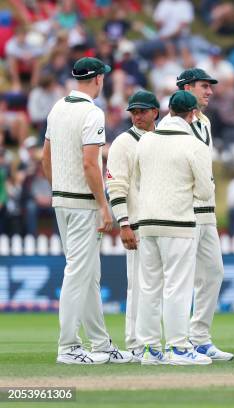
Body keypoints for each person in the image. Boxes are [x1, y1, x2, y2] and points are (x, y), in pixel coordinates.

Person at [42, 57, 131, 365]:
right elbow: (90, 163)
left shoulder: (57, 107)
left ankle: (101, 345)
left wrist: (59, 188)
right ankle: (67, 347)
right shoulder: (92, 112)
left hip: (62, 201)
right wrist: (103, 207)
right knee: (78, 273)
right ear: (98, 79)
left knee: (89, 275)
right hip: (82, 204)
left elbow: (46, 159)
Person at [134, 90, 214, 365]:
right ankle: (178, 348)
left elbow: (137, 181)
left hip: (147, 223)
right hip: (178, 222)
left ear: (168, 111)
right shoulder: (194, 145)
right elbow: (205, 192)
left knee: (149, 286)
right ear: (192, 114)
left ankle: (149, 349)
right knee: (177, 287)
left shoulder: (145, 140)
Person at [166, 67, 234, 361]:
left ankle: (200, 338)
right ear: (186, 88)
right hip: (182, 211)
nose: (209, 91)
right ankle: (175, 343)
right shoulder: (169, 125)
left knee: (214, 273)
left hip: (205, 212)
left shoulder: (204, 122)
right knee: (179, 279)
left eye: (210, 86)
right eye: (204, 86)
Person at [106, 90, 160, 362]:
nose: (137, 116)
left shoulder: (164, 139)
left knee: (160, 286)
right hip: (137, 224)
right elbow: (116, 185)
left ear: (155, 112)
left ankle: (152, 339)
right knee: (139, 285)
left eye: (142, 111)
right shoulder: (123, 143)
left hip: (163, 223)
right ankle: (136, 342)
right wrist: (123, 222)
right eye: (133, 112)